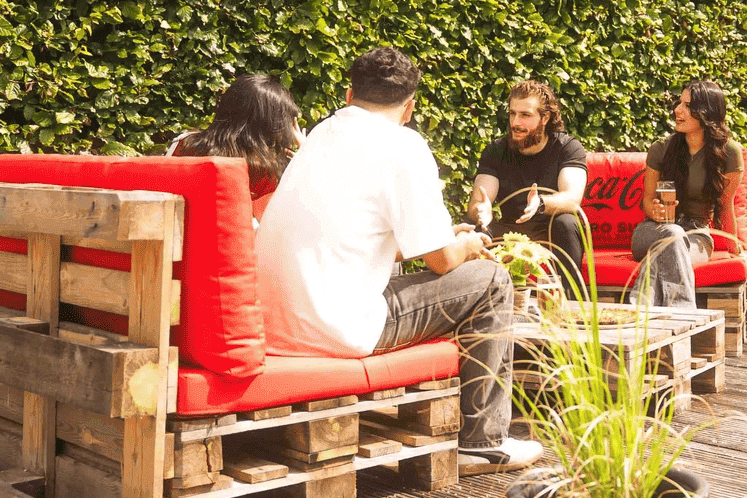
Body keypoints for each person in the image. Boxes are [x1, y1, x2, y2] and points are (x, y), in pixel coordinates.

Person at [255, 47, 540, 475]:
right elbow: (443, 262)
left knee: (450, 266)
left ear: (350, 94)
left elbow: (362, 237)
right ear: (410, 107)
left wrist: (448, 239)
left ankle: (481, 433)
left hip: (275, 324)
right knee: (492, 279)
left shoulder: (321, 134)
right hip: (336, 329)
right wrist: (464, 246)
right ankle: (482, 441)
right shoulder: (403, 145)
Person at [631, 80, 747, 310]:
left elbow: (725, 206)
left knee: (665, 252)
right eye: (679, 103)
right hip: (653, 230)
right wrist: (654, 210)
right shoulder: (661, 148)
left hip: (697, 235)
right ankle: (685, 315)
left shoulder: (729, 153)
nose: (677, 109)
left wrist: (735, 246)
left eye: (687, 105)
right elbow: (647, 200)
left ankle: (638, 314)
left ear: (707, 113)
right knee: (673, 233)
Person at [467, 81, 588, 294]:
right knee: (472, 229)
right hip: (513, 230)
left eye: (525, 115)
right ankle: (477, 305)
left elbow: (572, 199)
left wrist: (541, 203)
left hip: (552, 229)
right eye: (512, 114)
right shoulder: (496, 151)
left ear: (545, 118)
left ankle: (570, 304)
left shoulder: (568, 148)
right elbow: (480, 200)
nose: (515, 122)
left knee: (567, 222)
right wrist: (481, 211)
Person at [168, 74, 301, 215]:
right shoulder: (261, 171)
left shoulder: (182, 143)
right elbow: (270, 228)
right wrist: (306, 156)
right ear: (266, 126)